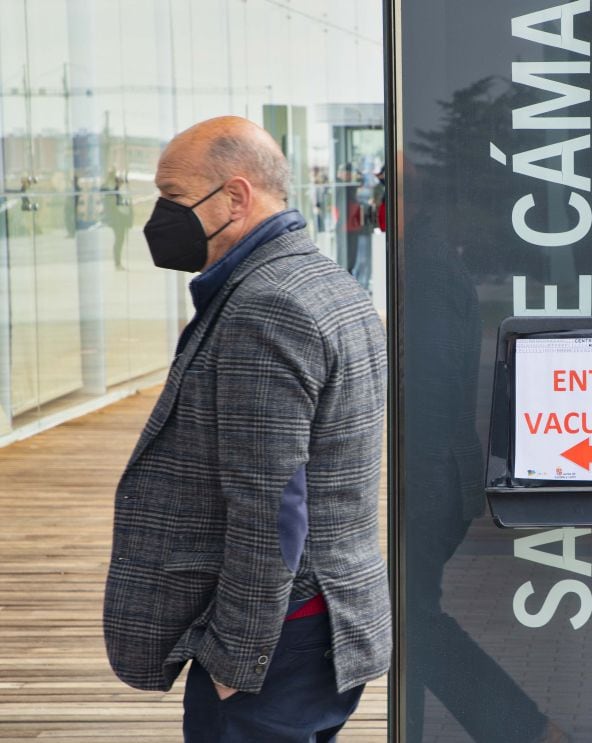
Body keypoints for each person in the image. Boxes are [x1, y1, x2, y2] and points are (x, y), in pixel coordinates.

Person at [103, 116, 390, 742]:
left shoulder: (267, 305)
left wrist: (237, 661)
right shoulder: (326, 281)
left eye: (174, 198)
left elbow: (271, 505)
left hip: (275, 643)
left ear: (235, 196)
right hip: (320, 622)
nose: (160, 216)